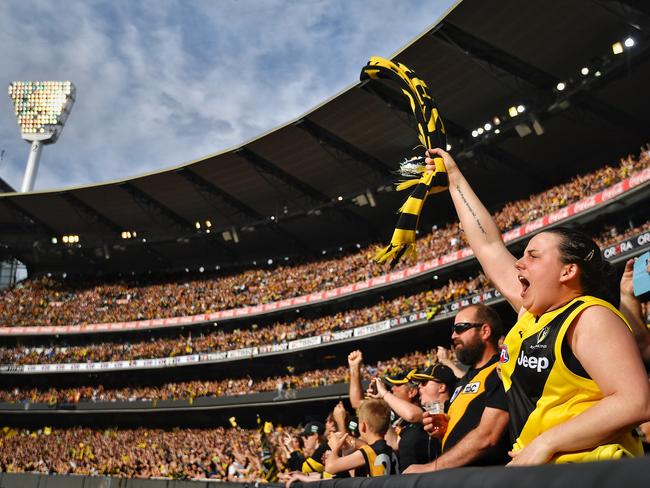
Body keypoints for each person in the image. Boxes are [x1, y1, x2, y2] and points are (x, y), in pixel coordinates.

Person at [423, 147, 650, 464]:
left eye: (533, 256)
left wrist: (545, 444)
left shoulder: (590, 317)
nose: (518, 264)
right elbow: (488, 245)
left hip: (593, 472)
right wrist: (454, 179)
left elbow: (635, 401)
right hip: (544, 471)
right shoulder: (532, 315)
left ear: (567, 271)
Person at [405, 304, 510, 472]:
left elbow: (488, 436)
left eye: (460, 328)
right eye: (453, 329)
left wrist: (433, 467)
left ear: (485, 331)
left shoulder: (501, 370)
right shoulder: (465, 379)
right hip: (458, 476)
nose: (453, 335)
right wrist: (443, 431)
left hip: (487, 478)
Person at [348, 350, 428, 470]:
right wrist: (354, 368)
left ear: (412, 392)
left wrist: (384, 395)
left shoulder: (423, 413)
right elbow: (356, 403)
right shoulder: (393, 410)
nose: (393, 389)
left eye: (398, 385)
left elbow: (411, 416)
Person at [325, 399, 399, 476]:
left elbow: (330, 467)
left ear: (363, 426)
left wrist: (335, 448)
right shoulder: (391, 450)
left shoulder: (368, 452)